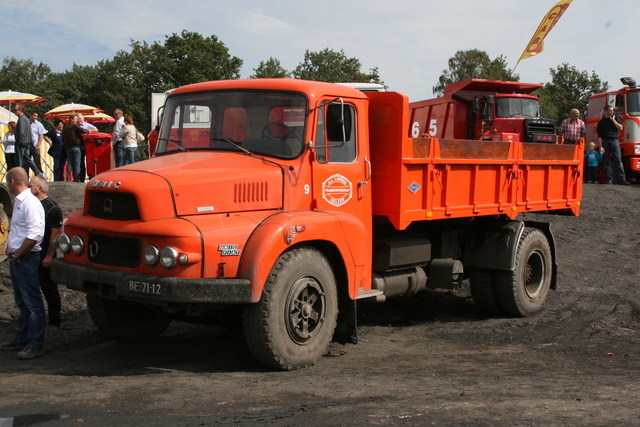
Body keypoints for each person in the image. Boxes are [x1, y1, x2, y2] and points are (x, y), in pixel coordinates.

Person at [1, 167, 46, 360]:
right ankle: (22, 338)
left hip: (25, 259)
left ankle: (35, 344)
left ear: (12, 182)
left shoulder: (29, 204)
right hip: (19, 258)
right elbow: (21, 231)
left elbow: (35, 235)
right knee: (22, 302)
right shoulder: (21, 202)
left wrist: (18, 253)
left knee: (32, 303)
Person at [29, 175, 63, 330]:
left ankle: (55, 321)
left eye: (31, 186)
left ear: (40, 188)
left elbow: (56, 233)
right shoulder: (32, 204)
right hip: (32, 254)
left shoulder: (52, 207)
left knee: (49, 288)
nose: (29, 189)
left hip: (44, 254)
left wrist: (49, 255)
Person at [597, 105, 630, 185]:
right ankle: (608, 179)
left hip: (614, 140)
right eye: (610, 110)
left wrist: (613, 120)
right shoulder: (601, 122)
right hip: (605, 141)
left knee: (618, 160)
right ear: (605, 111)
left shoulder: (616, 118)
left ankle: (622, 179)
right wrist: (601, 146)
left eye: (612, 110)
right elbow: (600, 136)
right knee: (606, 161)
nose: (612, 112)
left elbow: (620, 127)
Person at [14, 103, 42, 176]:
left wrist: (18, 140)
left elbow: (21, 131)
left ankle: (19, 176)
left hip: (21, 143)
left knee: (19, 160)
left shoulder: (22, 119)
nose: (14, 111)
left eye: (15, 110)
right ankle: (38, 172)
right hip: (27, 143)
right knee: (27, 159)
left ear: (20, 110)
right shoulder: (26, 119)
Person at [62, 114, 89, 182]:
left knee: (70, 163)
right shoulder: (73, 125)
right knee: (77, 164)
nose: (77, 121)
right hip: (76, 146)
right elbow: (82, 130)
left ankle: (68, 178)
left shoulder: (65, 128)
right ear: (71, 119)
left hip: (68, 148)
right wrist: (88, 131)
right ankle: (76, 179)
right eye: (76, 119)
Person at [76, 114, 97, 182]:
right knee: (80, 162)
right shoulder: (75, 126)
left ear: (83, 119)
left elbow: (96, 129)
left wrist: (89, 131)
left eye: (80, 119)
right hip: (79, 145)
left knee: (88, 161)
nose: (79, 120)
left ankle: (87, 176)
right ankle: (81, 177)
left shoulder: (87, 125)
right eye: (78, 119)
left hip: (87, 145)